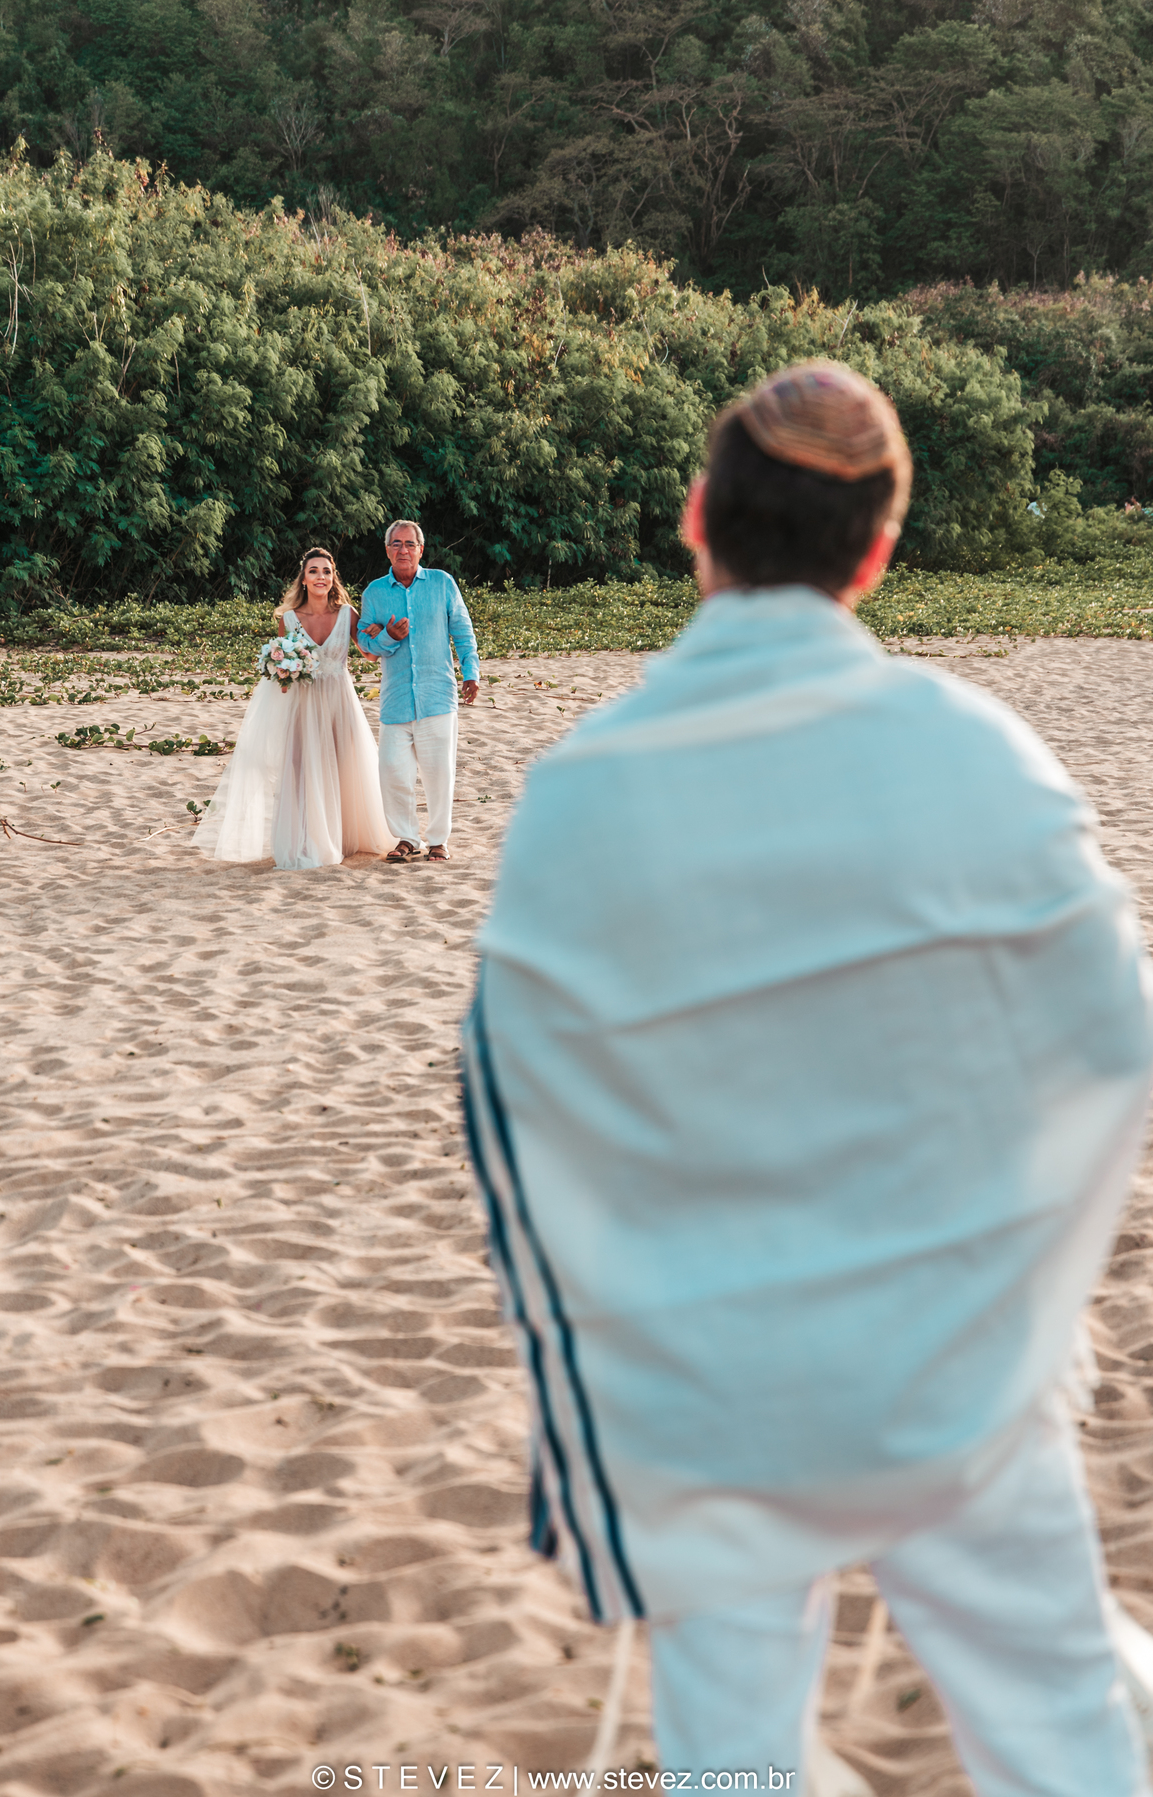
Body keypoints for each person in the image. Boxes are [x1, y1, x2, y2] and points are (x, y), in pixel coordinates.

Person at [462, 361, 1153, 1792]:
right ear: (883, 550)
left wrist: (598, 1386)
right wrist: (1012, 1293)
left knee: (732, 1761)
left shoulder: (585, 784)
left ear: (695, 518)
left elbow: (513, 1105)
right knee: (1063, 1723)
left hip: (701, 1371)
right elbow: (1114, 1043)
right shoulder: (979, 755)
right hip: (951, 1352)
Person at [195, 547, 393, 870]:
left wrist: (379, 634)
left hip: (339, 703)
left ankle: (343, 837)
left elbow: (368, 654)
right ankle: (307, 838)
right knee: (302, 769)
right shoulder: (289, 620)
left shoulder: (348, 614)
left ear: (333, 578)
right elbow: (283, 673)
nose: (321, 577)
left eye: (326, 572)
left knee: (345, 766)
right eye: (314, 571)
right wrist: (284, 672)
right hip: (303, 704)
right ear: (303, 578)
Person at [356, 519, 479, 863]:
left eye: (410, 544)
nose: (403, 550)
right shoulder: (375, 593)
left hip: (437, 695)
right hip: (395, 700)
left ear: (421, 549)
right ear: (387, 550)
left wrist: (471, 673)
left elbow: (463, 633)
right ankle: (406, 838)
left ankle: (438, 841)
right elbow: (365, 642)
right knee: (394, 773)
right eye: (396, 544)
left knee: (439, 774)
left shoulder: (442, 583)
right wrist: (388, 638)